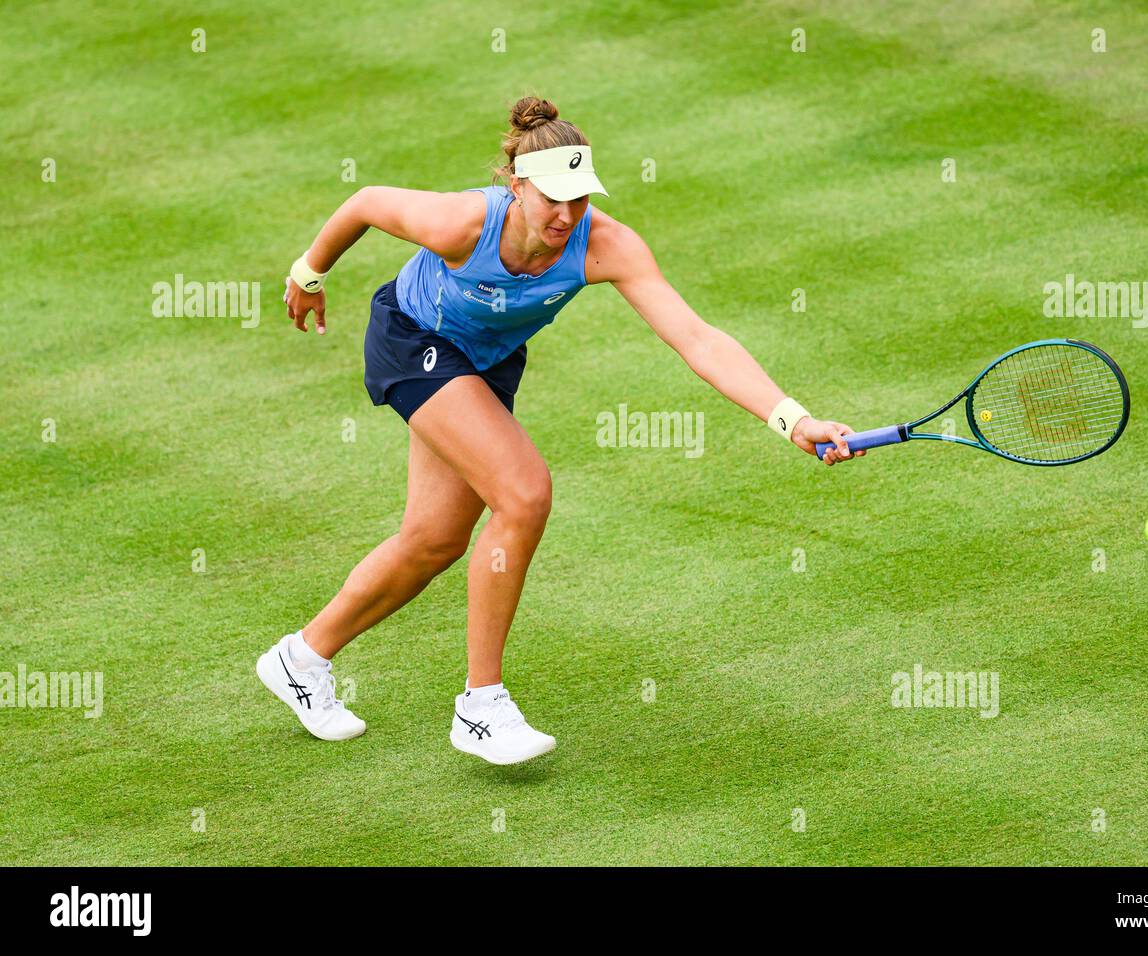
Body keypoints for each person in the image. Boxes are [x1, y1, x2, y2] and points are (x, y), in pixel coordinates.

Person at [257, 95, 863, 765]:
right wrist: (308, 273)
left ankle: (300, 658)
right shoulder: (463, 223)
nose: (567, 215)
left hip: (484, 362)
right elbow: (367, 201)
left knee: (433, 540)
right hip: (413, 340)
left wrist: (791, 417)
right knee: (524, 494)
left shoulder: (605, 244)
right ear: (516, 187)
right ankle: (480, 707)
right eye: (552, 199)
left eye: (579, 199)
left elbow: (696, 337)